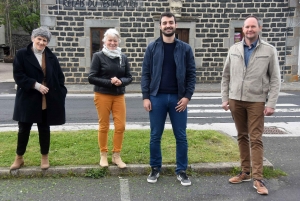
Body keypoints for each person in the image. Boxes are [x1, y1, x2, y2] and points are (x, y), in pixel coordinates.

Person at [221, 15, 281, 195]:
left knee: (256, 138)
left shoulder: (269, 50)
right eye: (246, 27)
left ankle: (258, 178)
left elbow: (276, 79)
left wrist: (271, 103)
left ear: (259, 28)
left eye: (253, 27)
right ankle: (245, 172)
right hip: (235, 99)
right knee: (241, 136)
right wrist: (225, 98)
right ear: (243, 30)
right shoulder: (234, 49)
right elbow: (226, 76)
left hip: (256, 100)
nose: (249, 30)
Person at [141, 12, 196, 186]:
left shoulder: (185, 48)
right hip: (156, 97)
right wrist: (145, 97)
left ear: (175, 25)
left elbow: (191, 74)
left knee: (181, 136)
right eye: (164, 23)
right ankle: (155, 167)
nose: (168, 25)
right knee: (155, 135)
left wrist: (187, 97)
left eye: (170, 22)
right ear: (160, 26)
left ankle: (181, 170)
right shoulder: (152, 47)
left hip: (178, 100)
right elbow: (146, 73)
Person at [11, 27, 67, 171]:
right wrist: (36, 85)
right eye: (39, 39)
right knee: (24, 129)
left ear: (47, 42)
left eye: (45, 40)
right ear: (33, 39)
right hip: (28, 97)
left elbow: (59, 77)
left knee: (44, 128)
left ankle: (44, 157)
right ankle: (19, 158)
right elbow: (18, 75)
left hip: (46, 99)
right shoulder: (22, 54)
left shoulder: (51, 57)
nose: (41, 42)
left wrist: (61, 92)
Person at [88, 28, 132, 169]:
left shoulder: (123, 57)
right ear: (104, 42)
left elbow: (129, 77)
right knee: (104, 125)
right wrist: (109, 82)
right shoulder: (98, 56)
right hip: (102, 95)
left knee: (120, 126)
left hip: (119, 95)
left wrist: (121, 81)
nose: (112, 43)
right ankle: (103, 154)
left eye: (115, 40)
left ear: (118, 41)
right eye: (110, 40)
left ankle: (116, 155)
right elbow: (91, 77)